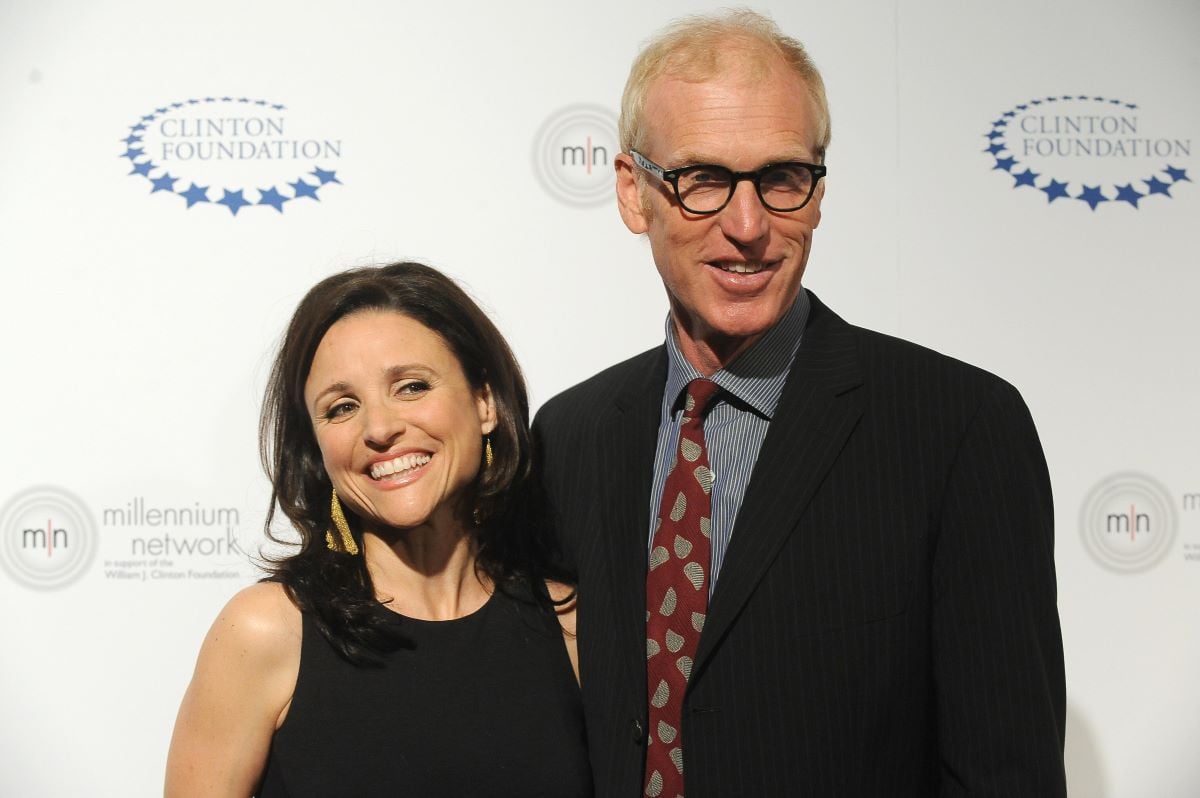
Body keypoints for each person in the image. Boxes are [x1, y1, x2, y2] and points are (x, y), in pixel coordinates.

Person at [533, 10, 1066, 797]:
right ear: (632, 192)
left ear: (817, 191)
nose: (748, 227)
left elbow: (1005, 773)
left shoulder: (958, 429)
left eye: (782, 179)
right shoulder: (569, 436)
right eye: (702, 180)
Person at [166, 262, 591, 797]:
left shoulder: (571, 626)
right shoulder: (268, 632)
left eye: (411, 386)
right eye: (341, 408)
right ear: (318, 450)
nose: (381, 428)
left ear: (485, 402)